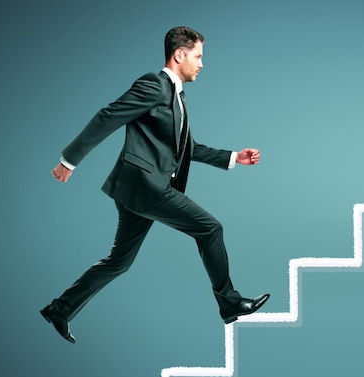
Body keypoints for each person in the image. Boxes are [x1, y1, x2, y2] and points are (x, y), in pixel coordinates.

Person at [40, 26, 269, 344]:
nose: (202, 64)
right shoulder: (155, 85)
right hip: (146, 186)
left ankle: (60, 310)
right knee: (210, 229)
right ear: (180, 54)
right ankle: (229, 302)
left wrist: (234, 158)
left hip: (138, 190)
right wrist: (69, 162)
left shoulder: (178, 98)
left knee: (119, 260)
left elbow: (189, 148)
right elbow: (109, 116)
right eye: (198, 56)